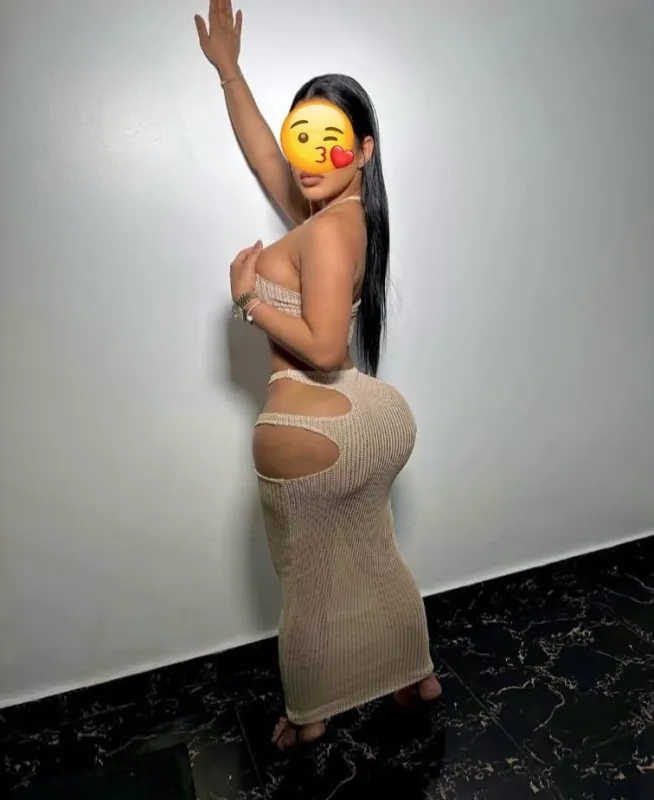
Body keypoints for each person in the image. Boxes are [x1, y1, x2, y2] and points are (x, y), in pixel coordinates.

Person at [195, 0, 442, 751]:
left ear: (362, 150)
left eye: (326, 143)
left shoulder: (328, 231)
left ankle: (309, 716)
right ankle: (416, 678)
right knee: (372, 554)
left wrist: (248, 302)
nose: (305, 156)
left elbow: (328, 348)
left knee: (308, 580)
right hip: (368, 417)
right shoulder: (339, 214)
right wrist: (230, 72)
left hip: (314, 415)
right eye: (301, 138)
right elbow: (265, 160)